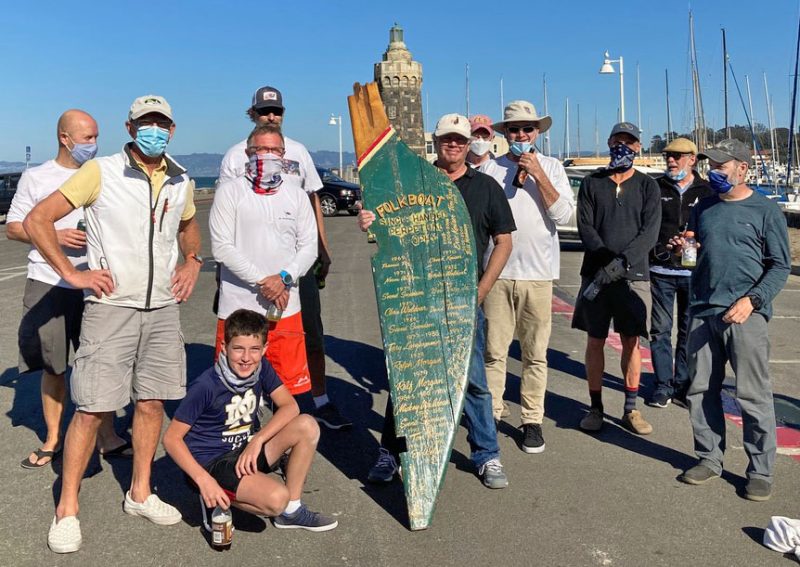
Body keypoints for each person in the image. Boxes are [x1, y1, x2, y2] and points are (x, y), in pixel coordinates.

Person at [25, 95, 202, 553]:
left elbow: (187, 226)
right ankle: (67, 508)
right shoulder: (100, 171)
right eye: (146, 123)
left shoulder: (181, 179)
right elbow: (38, 218)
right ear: (130, 127)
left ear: (173, 129)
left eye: (162, 122)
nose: (155, 130)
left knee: (151, 404)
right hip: (111, 307)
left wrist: (193, 260)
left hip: (162, 308)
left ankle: (140, 492)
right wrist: (72, 273)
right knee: (93, 408)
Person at [358, 113, 516, 488]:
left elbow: (504, 241)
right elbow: (385, 234)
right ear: (437, 141)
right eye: (448, 139)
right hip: (417, 298)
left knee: (473, 379)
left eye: (461, 140)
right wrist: (368, 223)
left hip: (464, 302)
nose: (455, 145)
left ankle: (487, 454)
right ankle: (392, 453)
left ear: (469, 143)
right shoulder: (413, 183)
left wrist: (480, 291)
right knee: (407, 378)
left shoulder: (486, 188)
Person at [219, 86, 349, 429]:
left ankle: (318, 398)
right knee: (248, 341)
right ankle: (252, 412)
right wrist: (259, 277)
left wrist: (322, 247)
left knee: (309, 335)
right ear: (253, 115)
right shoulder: (235, 156)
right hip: (248, 275)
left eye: (276, 111)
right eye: (264, 112)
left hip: (294, 267)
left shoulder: (299, 151)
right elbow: (226, 215)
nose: (271, 117)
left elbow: (313, 200)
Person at [7, 110, 128, 469]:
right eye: (87, 138)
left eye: (96, 137)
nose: (94, 144)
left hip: (98, 283)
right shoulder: (36, 177)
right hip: (50, 283)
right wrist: (52, 234)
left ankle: (107, 436)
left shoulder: (105, 173)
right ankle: (54, 439)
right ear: (65, 138)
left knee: (101, 365)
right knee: (54, 367)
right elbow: (14, 228)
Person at [673, 139, 790, 502]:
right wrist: (684, 253)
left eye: (721, 166)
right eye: (711, 165)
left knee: (753, 396)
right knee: (700, 390)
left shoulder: (765, 210)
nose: (713, 172)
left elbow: (780, 266)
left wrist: (752, 301)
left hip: (745, 314)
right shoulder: (703, 207)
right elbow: (692, 261)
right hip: (703, 309)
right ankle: (709, 458)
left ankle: (760, 471)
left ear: (742, 168)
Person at [163, 309, 337, 531]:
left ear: (264, 349)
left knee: (307, 425)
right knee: (276, 499)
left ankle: (291, 512)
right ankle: (213, 496)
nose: (246, 358)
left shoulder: (261, 367)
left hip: (244, 449)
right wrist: (203, 480)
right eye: (238, 349)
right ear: (224, 348)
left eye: (254, 349)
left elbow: (290, 406)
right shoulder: (206, 386)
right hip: (210, 463)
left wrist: (258, 441)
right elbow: (171, 439)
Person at [482, 101, 575, 453]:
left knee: (536, 354)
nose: (521, 135)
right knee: (494, 352)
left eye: (527, 129)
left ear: (537, 133)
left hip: (538, 275)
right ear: (504, 133)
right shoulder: (491, 170)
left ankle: (532, 420)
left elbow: (564, 216)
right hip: (498, 273)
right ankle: (491, 414)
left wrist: (538, 174)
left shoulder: (551, 166)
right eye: (514, 129)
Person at [210, 123, 318, 399]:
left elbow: (309, 248)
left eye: (274, 150)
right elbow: (222, 248)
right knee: (234, 392)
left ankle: (282, 442)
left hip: (285, 308)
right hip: (237, 307)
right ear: (248, 153)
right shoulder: (230, 192)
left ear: (284, 155)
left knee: (290, 393)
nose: (268, 155)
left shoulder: (296, 195)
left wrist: (283, 278)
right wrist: (263, 281)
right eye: (261, 149)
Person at [572, 122, 661, 435]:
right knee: (594, 340)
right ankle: (595, 408)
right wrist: (605, 260)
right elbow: (586, 226)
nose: (623, 146)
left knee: (631, 342)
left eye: (630, 142)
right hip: (597, 274)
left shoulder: (648, 186)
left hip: (633, 276)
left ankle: (630, 408)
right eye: (618, 140)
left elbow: (649, 233)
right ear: (609, 141)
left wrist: (623, 262)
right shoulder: (592, 183)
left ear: (638, 147)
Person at [647, 138, 712, 408]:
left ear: (692, 159)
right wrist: (660, 250)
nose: (670, 161)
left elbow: (711, 230)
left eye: (677, 156)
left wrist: (698, 244)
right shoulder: (655, 187)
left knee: (688, 332)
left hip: (693, 273)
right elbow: (647, 224)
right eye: (668, 156)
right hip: (661, 270)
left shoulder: (706, 191)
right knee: (661, 330)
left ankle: (682, 386)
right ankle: (663, 386)